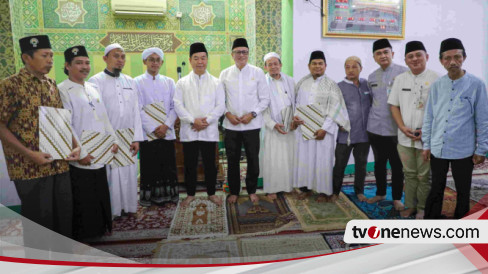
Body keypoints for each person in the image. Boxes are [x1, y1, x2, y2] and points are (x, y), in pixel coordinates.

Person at [0, 35, 80, 255]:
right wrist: (29, 154)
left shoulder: (52, 84)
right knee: (39, 224)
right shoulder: (10, 85)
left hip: (59, 164)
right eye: (44, 56)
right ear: (27, 57)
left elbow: (62, 119)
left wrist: (75, 145)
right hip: (29, 168)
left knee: (64, 219)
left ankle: (66, 264)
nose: (50, 60)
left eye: (52, 56)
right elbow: (1, 126)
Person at [422, 38, 488, 219]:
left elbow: (483, 120)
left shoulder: (476, 85)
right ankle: (430, 223)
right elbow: (429, 117)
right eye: (447, 58)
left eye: (457, 57)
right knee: (436, 187)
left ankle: (462, 226)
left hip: (463, 149)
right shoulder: (437, 85)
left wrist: (481, 148)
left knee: (463, 190)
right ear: (441, 61)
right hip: (438, 147)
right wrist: (426, 144)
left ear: (464, 57)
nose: (452, 62)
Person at [59, 45, 117, 239]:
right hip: (81, 154)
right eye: (78, 63)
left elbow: (104, 117)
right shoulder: (62, 90)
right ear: (67, 66)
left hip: (100, 149)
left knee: (100, 190)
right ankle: (87, 235)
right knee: (85, 195)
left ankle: (101, 227)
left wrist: (113, 140)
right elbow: (66, 125)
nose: (84, 67)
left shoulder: (92, 87)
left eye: (86, 62)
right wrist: (81, 152)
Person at [88, 43, 143, 217]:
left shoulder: (130, 81)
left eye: (123, 56)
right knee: (112, 176)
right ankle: (113, 212)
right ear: (105, 58)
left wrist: (136, 138)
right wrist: (107, 139)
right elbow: (97, 113)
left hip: (127, 136)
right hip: (108, 138)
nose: (120, 60)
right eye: (116, 56)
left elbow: (136, 110)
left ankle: (130, 209)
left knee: (129, 174)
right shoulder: (95, 81)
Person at [388, 41, 439, 219]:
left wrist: (427, 131)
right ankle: (410, 205)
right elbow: (393, 105)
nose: (415, 59)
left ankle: (423, 208)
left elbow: (440, 110)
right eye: (410, 56)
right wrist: (402, 127)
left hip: (427, 138)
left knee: (424, 176)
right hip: (404, 137)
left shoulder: (437, 79)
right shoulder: (401, 79)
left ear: (427, 57)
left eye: (419, 55)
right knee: (409, 174)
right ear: (406, 60)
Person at [293, 50, 350, 202]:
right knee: (305, 159)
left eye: (320, 64)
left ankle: (324, 192)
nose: (317, 66)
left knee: (323, 161)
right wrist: (296, 117)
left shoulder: (331, 85)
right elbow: (296, 103)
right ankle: (306, 188)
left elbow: (335, 109)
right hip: (305, 127)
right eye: (314, 64)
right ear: (308, 66)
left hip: (324, 131)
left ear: (325, 66)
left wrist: (324, 128)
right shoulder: (302, 83)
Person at [173, 42, 225, 206]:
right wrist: (192, 120)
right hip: (190, 130)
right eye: (196, 58)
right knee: (190, 164)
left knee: (211, 163)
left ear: (207, 60)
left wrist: (206, 121)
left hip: (209, 131)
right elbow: (177, 105)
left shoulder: (217, 82)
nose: (200, 61)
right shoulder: (182, 83)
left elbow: (221, 106)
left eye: (203, 58)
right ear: (190, 60)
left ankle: (211, 193)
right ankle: (190, 194)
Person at [220, 38, 270, 204]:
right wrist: (227, 114)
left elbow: (264, 99)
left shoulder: (257, 73)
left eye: (244, 52)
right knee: (232, 160)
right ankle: (234, 191)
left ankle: (251, 190)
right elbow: (220, 100)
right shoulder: (225, 74)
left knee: (253, 159)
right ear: (232, 54)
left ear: (248, 54)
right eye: (238, 52)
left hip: (252, 125)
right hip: (231, 125)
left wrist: (252, 114)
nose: (241, 55)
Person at [367, 38, 409, 210]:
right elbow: (372, 100)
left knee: (397, 166)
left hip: (396, 129)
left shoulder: (404, 73)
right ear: (374, 57)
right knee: (379, 164)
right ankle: (381, 193)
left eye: (386, 52)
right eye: (379, 53)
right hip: (375, 128)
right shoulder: (371, 77)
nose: (383, 56)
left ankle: (397, 198)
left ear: (392, 53)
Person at [134, 47, 178, 207]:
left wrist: (165, 126)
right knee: (150, 166)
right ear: (145, 61)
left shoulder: (169, 82)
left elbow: (175, 107)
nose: (154, 63)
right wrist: (153, 127)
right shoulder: (136, 82)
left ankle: (169, 197)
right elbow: (137, 108)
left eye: (157, 60)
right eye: (151, 59)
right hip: (148, 134)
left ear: (162, 62)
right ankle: (150, 198)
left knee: (168, 166)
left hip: (166, 132)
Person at [331, 56, 371, 203]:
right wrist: (339, 123)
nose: (351, 70)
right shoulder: (338, 86)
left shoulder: (367, 85)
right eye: (347, 67)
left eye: (354, 67)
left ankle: (359, 191)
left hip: (364, 135)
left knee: (361, 164)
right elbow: (333, 109)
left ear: (361, 68)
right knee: (340, 164)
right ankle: (335, 192)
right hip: (345, 134)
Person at [261, 52, 295, 199]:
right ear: (265, 67)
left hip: (290, 126)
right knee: (272, 159)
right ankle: (272, 188)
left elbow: (296, 102)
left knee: (289, 158)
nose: (273, 67)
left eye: (276, 63)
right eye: (270, 64)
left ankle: (287, 186)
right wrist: (273, 124)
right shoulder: (261, 83)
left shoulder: (290, 81)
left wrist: (294, 121)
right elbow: (260, 108)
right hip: (272, 128)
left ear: (280, 65)